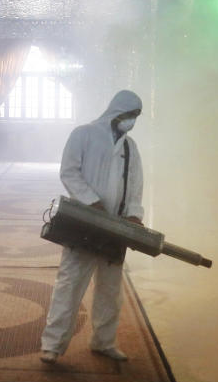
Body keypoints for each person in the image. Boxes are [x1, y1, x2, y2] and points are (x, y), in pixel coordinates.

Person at [40, 89, 144, 364]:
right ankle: (52, 345)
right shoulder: (83, 134)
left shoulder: (130, 148)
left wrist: (134, 215)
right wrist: (91, 201)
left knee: (110, 289)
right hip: (84, 222)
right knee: (71, 282)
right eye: (130, 114)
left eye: (136, 116)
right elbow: (69, 171)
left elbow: (135, 186)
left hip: (116, 228)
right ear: (116, 111)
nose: (132, 120)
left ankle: (104, 342)